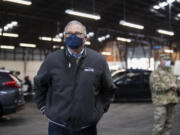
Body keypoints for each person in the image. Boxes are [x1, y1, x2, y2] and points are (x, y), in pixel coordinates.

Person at [34, 20, 114, 135]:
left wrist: (99, 110)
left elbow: (108, 89)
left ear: (85, 38)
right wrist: (43, 108)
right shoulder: (52, 60)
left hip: (87, 128)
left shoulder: (98, 60)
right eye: (69, 33)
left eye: (77, 33)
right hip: (58, 126)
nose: (73, 36)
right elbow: (39, 84)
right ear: (64, 38)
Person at [150, 54, 180, 135]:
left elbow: (177, 83)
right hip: (161, 103)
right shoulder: (155, 73)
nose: (167, 61)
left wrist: (177, 86)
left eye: (168, 60)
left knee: (168, 125)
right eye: (165, 60)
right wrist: (170, 86)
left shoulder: (171, 72)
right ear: (160, 61)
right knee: (159, 126)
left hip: (171, 102)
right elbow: (155, 87)